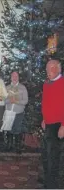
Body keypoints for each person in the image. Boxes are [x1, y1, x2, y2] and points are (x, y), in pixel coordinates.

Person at [41, 59, 64, 189]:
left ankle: (52, 184)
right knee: (46, 154)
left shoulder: (62, 83)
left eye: (50, 68)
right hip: (48, 123)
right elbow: (45, 102)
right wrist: (44, 118)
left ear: (57, 69)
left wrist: (63, 125)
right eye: (47, 68)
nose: (47, 71)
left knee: (53, 155)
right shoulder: (47, 84)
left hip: (58, 125)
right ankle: (47, 178)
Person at [5, 71, 28, 154]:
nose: (15, 78)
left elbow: (25, 101)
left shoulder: (23, 88)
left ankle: (18, 146)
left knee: (18, 130)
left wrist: (16, 101)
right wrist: (9, 100)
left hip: (19, 112)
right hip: (9, 112)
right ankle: (9, 145)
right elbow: (3, 100)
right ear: (11, 77)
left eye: (16, 76)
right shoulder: (7, 88)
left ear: (18, 77)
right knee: (9, 129)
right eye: (13, 76)